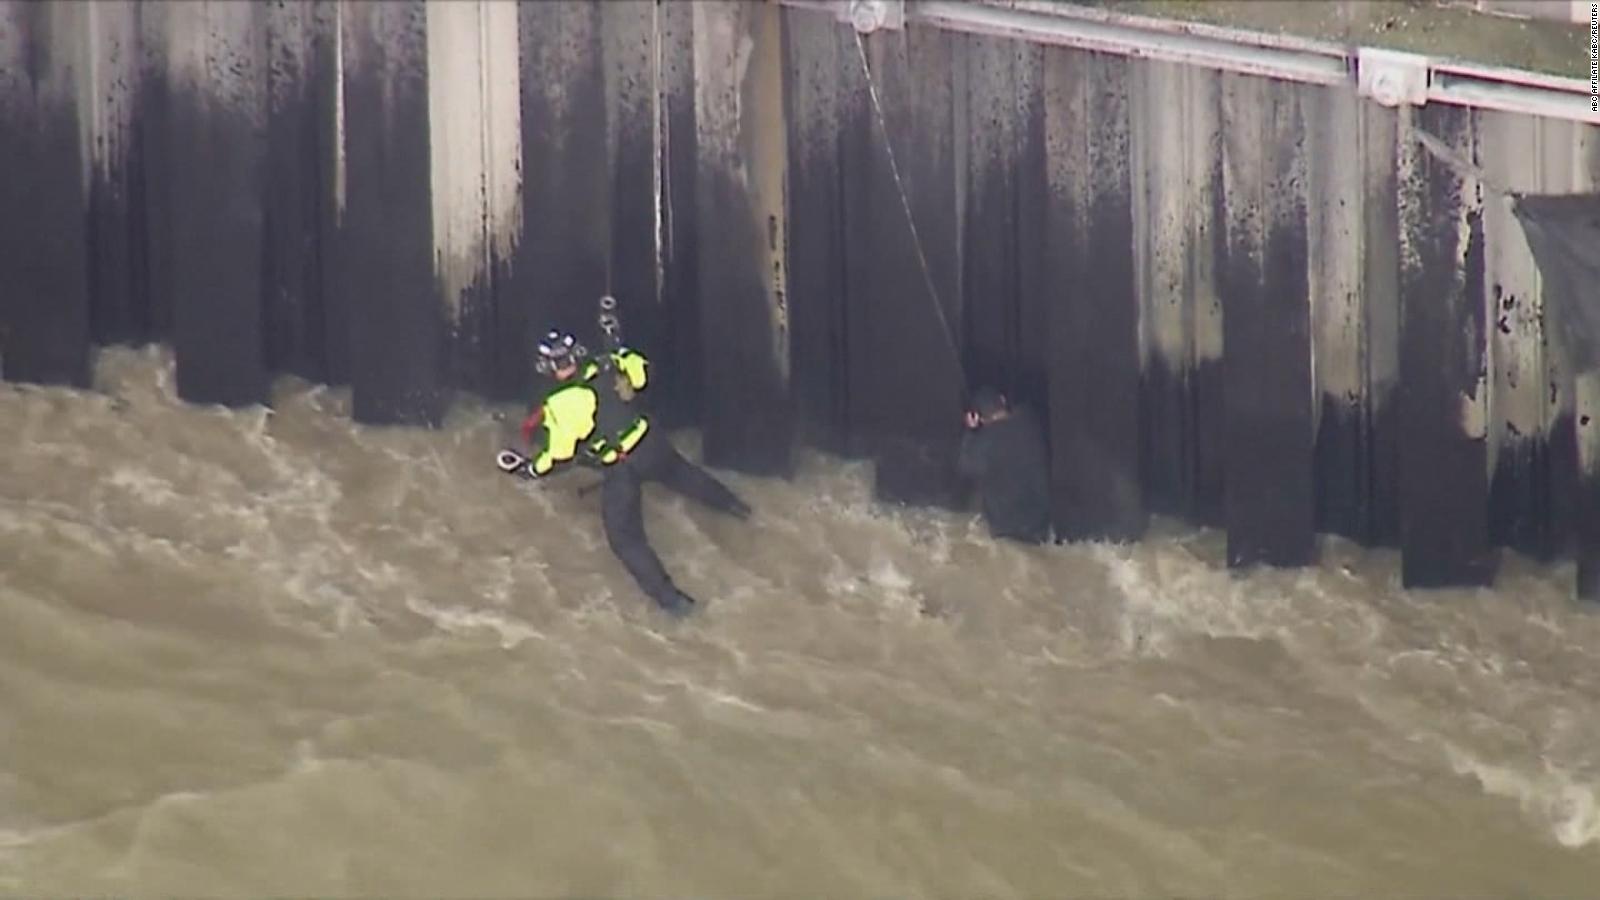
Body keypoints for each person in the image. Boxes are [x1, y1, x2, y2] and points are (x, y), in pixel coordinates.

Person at [511, 327, 752, 616]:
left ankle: (673, 602)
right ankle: (737, 508)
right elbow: (640, 376)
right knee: (684, 475)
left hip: (622, 464)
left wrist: (532, 469)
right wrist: (621, 353)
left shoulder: (561, 402)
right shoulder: (609, 361)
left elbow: (560, 452)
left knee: (625, 540)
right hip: (651, 441)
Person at [957, 386, 1052, 545]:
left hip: (1007, 528)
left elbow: (965, 467)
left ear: (979, 417)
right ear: (1002, 401)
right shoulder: (1029, 421)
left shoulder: (985, 443)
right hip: (1039, 522)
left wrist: (971, 433)